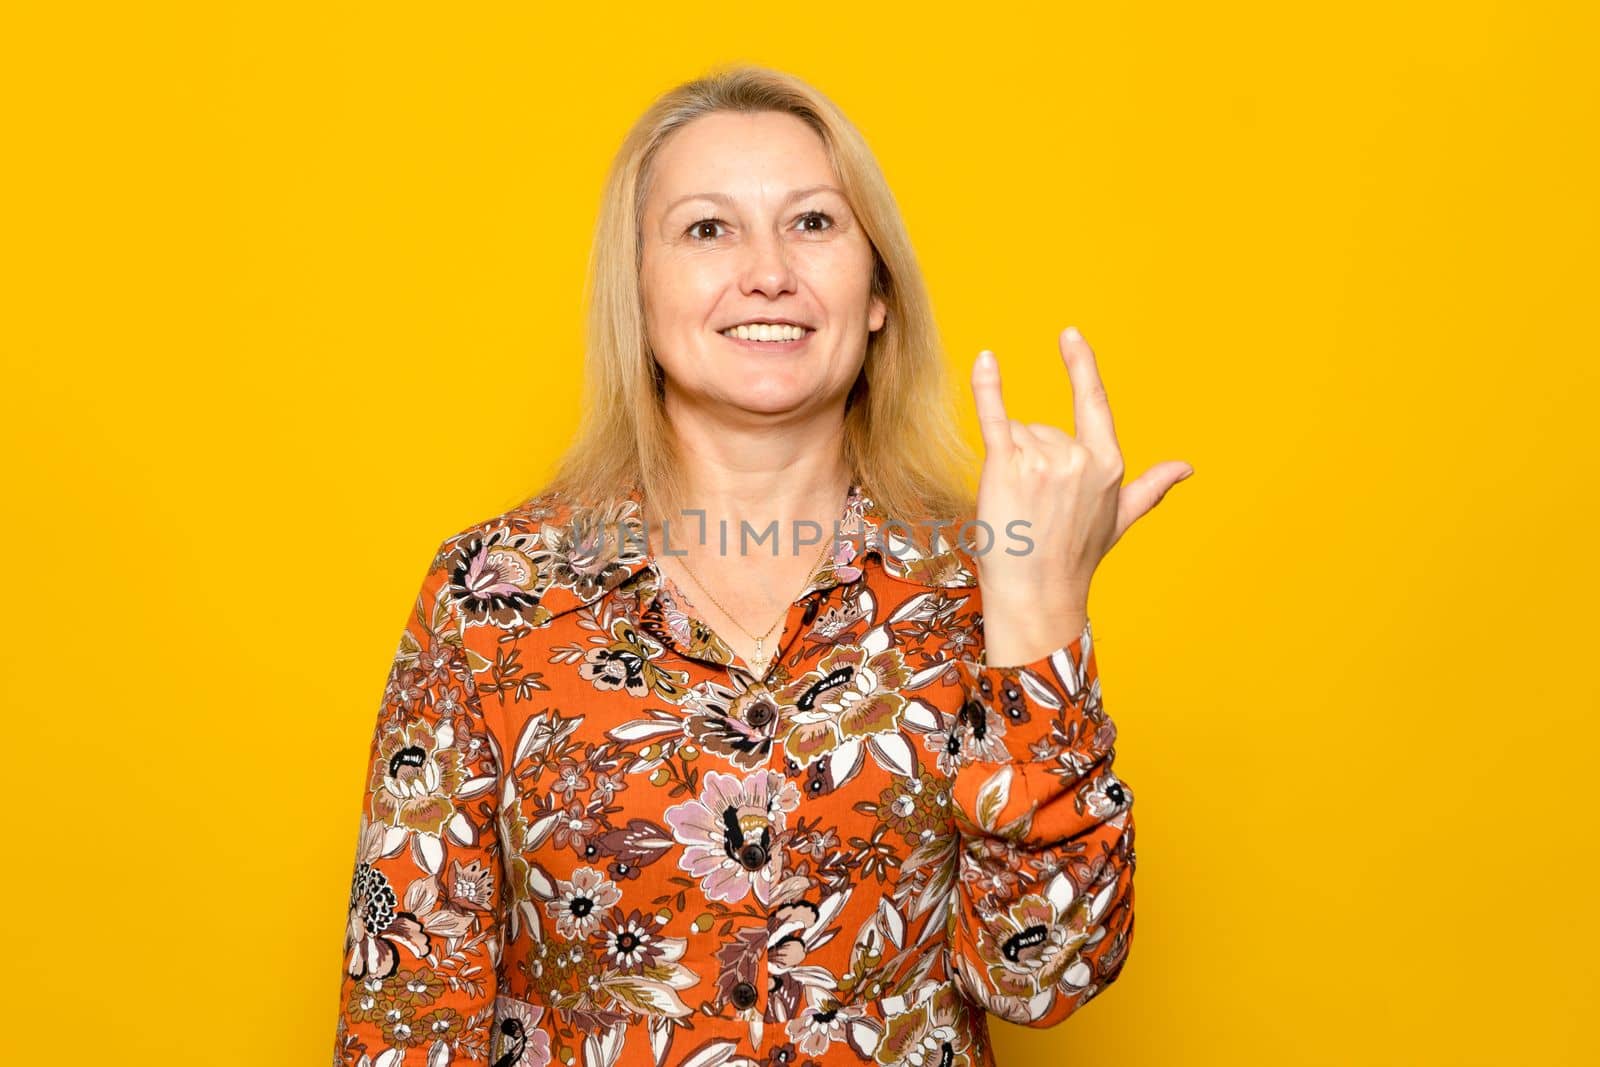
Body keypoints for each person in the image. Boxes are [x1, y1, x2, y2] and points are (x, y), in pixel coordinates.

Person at [332, 64, 1192, 1067]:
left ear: (876, 292)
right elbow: (406, 1015)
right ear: (638, 292)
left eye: (814, 223)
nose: (767, 271)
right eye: (707, 229)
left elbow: (1043, 977)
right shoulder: (492, 593)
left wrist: (1041, 613)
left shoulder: (981, 575)